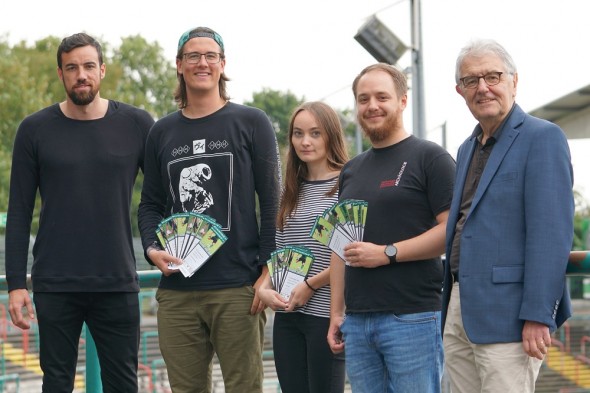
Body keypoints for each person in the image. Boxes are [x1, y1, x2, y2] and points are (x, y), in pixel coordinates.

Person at [5, 33, 154, 392]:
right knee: (56, 384)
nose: (81, 74)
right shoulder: (34, 130)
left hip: (117, 279)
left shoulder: (137, 124)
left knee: (123, 384)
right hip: (55, 282)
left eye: (89, 66)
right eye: (72, 68)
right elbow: (19, 211)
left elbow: (160, 198)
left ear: (102, 70)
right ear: (61, 74)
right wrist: (14, 285)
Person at [137, 26, 281, 393]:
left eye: (210, 56)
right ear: (179, 65)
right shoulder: (161, 131)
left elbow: (272, 201)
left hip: (238, 287)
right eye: (193, 56)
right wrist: (153, 249)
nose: (202, 63)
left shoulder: (252, 121)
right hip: (177, 291)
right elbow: (150, 204)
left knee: (244, 388)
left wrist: (266, 271)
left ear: (222, 64)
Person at [442, 39, 574, 393]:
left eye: (493, 76)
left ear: (514, 81)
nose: (483, 87)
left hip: (511, 316)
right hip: (458, 307)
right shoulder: (466, 147)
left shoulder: (542, 137)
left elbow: (551, 235)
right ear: (460, 90)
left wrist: (537, 315)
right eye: (472, 80)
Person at [326, 63, 456, 393]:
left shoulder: (430, 158)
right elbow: (340, 246)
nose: (372, 106)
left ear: (402, 101)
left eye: (382, 97)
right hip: (357, 321)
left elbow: (452, 231)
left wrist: (388, 253)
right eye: (363, 98)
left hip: (411, 318)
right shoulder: (351, 170)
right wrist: (336, 313)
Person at [257, 102, 348, 393]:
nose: (305, 141)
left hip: (326, 315)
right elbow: (281, 250)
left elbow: (349, 252)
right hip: (287, 315)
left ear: (330, 136)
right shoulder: (290, 190)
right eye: (298, 133)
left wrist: (311, 284)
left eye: (315, 133)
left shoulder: (348, 183)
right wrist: (265, 287)